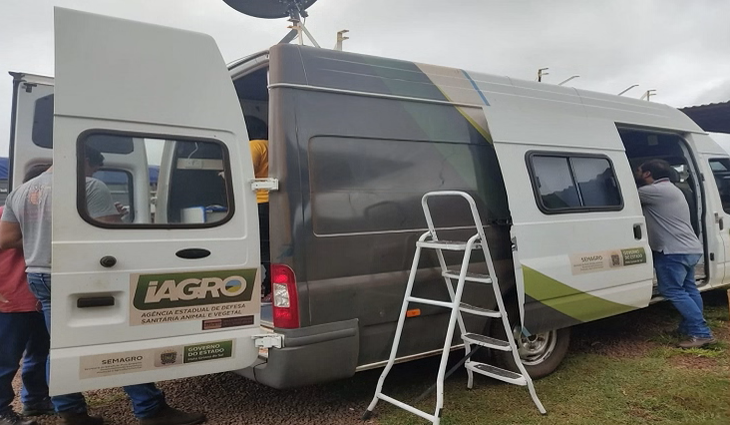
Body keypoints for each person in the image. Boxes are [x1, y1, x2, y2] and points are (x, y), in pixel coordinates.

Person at [0, 148, 206, 425]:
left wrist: (46, 237)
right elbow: (109, 238)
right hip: (78, 274)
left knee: (61, 346)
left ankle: (71, 410)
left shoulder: (21, 191)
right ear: (84, 159)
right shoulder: (90, 186)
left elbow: (7, 238)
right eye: (93, 168)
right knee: (118, 340)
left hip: (39, 275)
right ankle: (150, 408)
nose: (92, 174)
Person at [635, 159, 715, 348]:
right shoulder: (672, 189)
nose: (635, 173)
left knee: (673, 290)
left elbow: (624, 195)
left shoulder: (653, 191)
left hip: (673, 251)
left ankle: (701, 333)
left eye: (638, 170)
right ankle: (688, 328)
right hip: (689, 248)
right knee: (689, 289)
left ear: (647, 174)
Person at [0, 165, 53, 425]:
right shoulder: (4, 214)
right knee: (6, 359)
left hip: (38, 299)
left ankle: (35, 399)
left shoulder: (48, 217)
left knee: (38, 353)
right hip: (12, 298)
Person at [246, 116, 271, 300]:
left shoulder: (254, 146)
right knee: (272, 247)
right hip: (273, 203)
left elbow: (248, 172)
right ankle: (269, 286)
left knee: (261, 249)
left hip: (259, 203)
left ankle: (267, 288)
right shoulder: (272, 146)